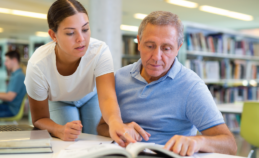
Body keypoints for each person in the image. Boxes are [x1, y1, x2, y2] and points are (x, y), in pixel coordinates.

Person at [97, 11, 237, 156]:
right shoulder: (120, 77)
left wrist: (198, 142)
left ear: (178, 48)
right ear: (139, 43)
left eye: (166, 48)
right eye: (150, 46)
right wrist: (121, 129)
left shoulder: (191, 86)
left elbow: (229, 145)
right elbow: (102, 126)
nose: (156, 57)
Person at [24, 0, 147, 146]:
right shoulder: (38, 65)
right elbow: (38, 119)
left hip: (91, 96)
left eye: (85, 29)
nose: (81, 39)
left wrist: (116, 123)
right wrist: (58, 130)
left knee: (96, 138)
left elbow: (108, 97)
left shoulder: (99, 51)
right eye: (70, 32)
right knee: (68, 141)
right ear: (53, 35)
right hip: (59, 100)